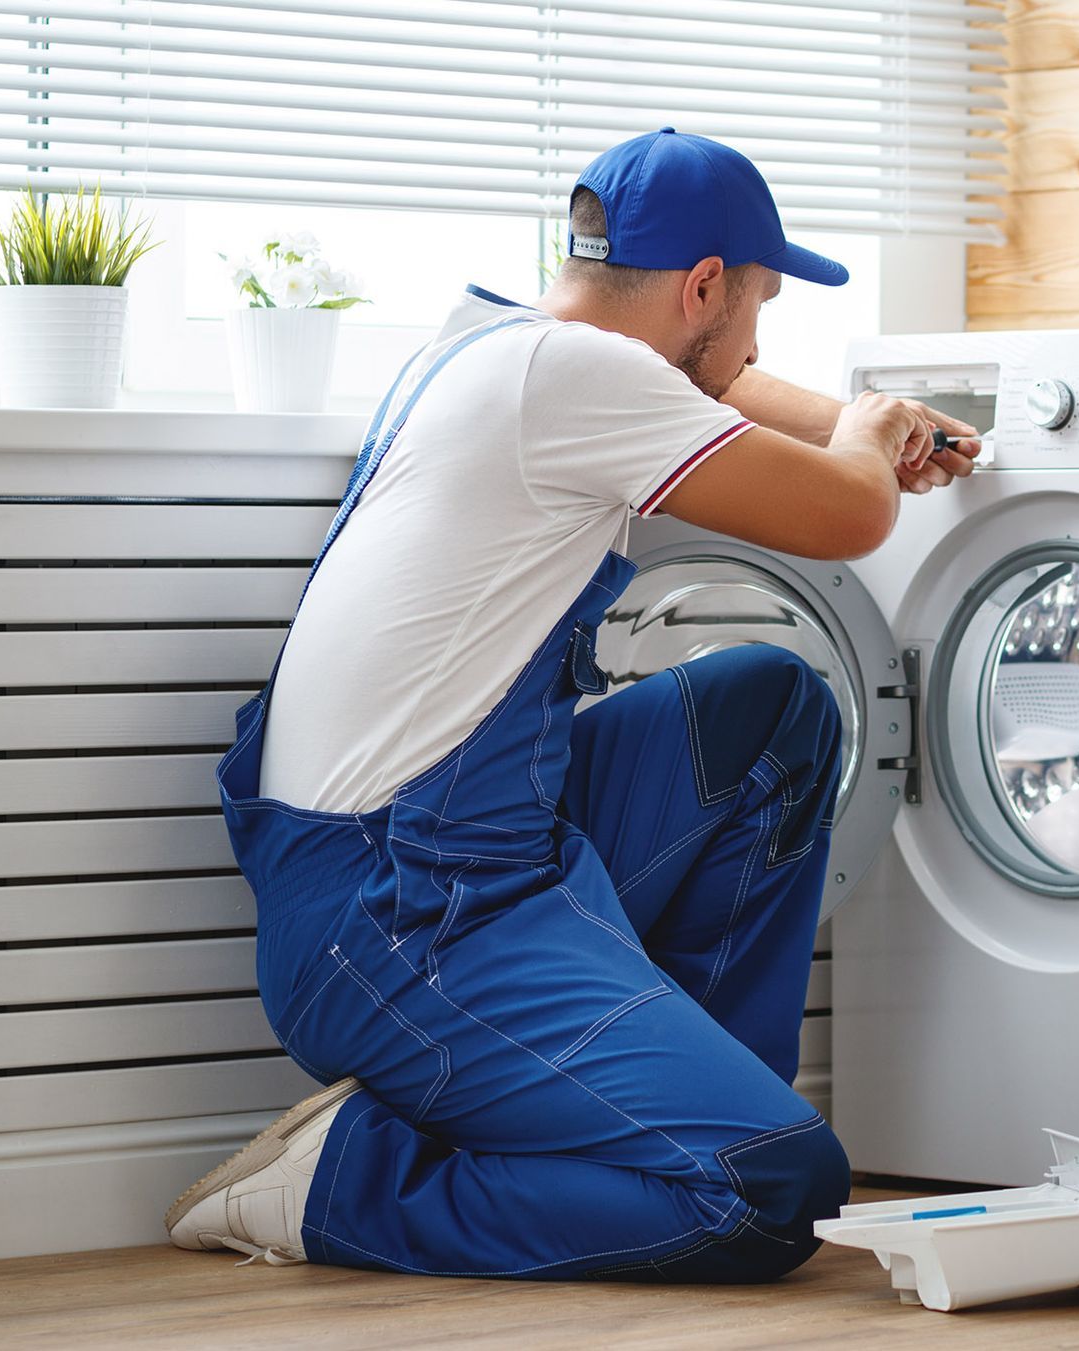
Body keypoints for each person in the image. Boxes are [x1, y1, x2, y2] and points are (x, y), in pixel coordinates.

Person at [164, 128, 980, 1281]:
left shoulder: (497, 343)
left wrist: (872, 418)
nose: (758, 337)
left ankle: (686, 1100)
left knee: (772, 711)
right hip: (402, 919)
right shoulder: (587, 381)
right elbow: (850, 516)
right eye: (757, 303)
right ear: (701, 286)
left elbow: (726, 385)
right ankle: (341, 1182)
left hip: (458, 853)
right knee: (772, 1191)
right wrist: (866, 440)